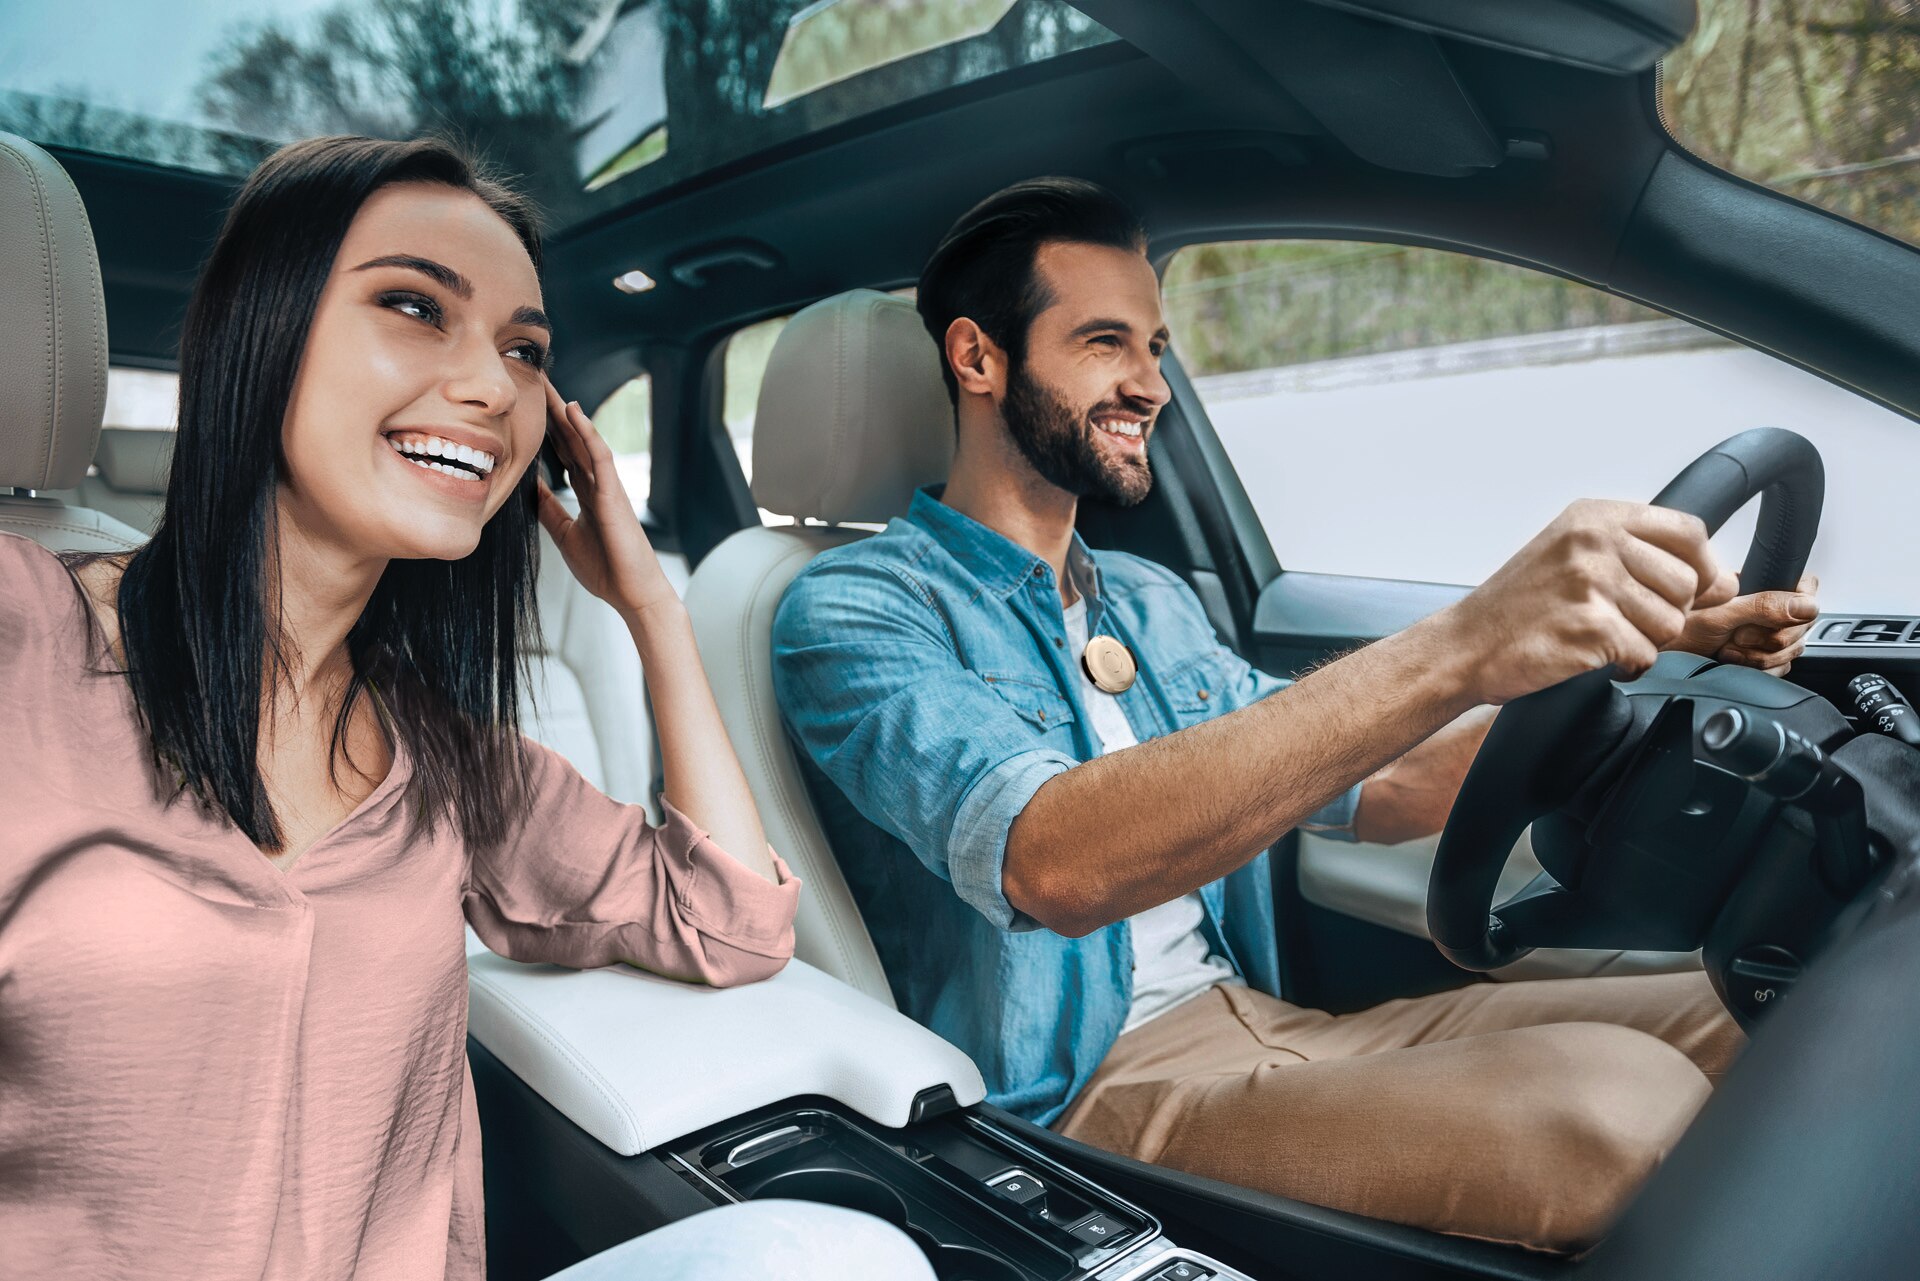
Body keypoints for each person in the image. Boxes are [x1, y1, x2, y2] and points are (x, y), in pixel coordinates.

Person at [771, 177, 1820, 1254]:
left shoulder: (1148, 602)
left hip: (1273, 1027)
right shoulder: (855, 610)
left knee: (1770, 1012)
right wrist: (1466, 642)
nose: (1150, 383)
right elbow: (1054, 864)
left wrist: (1644, 664)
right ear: (979, 359)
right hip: (1088, 1099)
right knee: (1623, 1109)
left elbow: (1384, 787)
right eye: (1104, 343)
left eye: (1156, 345)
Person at [0, 135, 933, 1281]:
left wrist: (650, 607)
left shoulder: (446, 758)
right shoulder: (23, 640)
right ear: (265, 331)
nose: (494, 386)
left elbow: (730, 922)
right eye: (413, 305)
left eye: (527, 349)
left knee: (835, 1257)